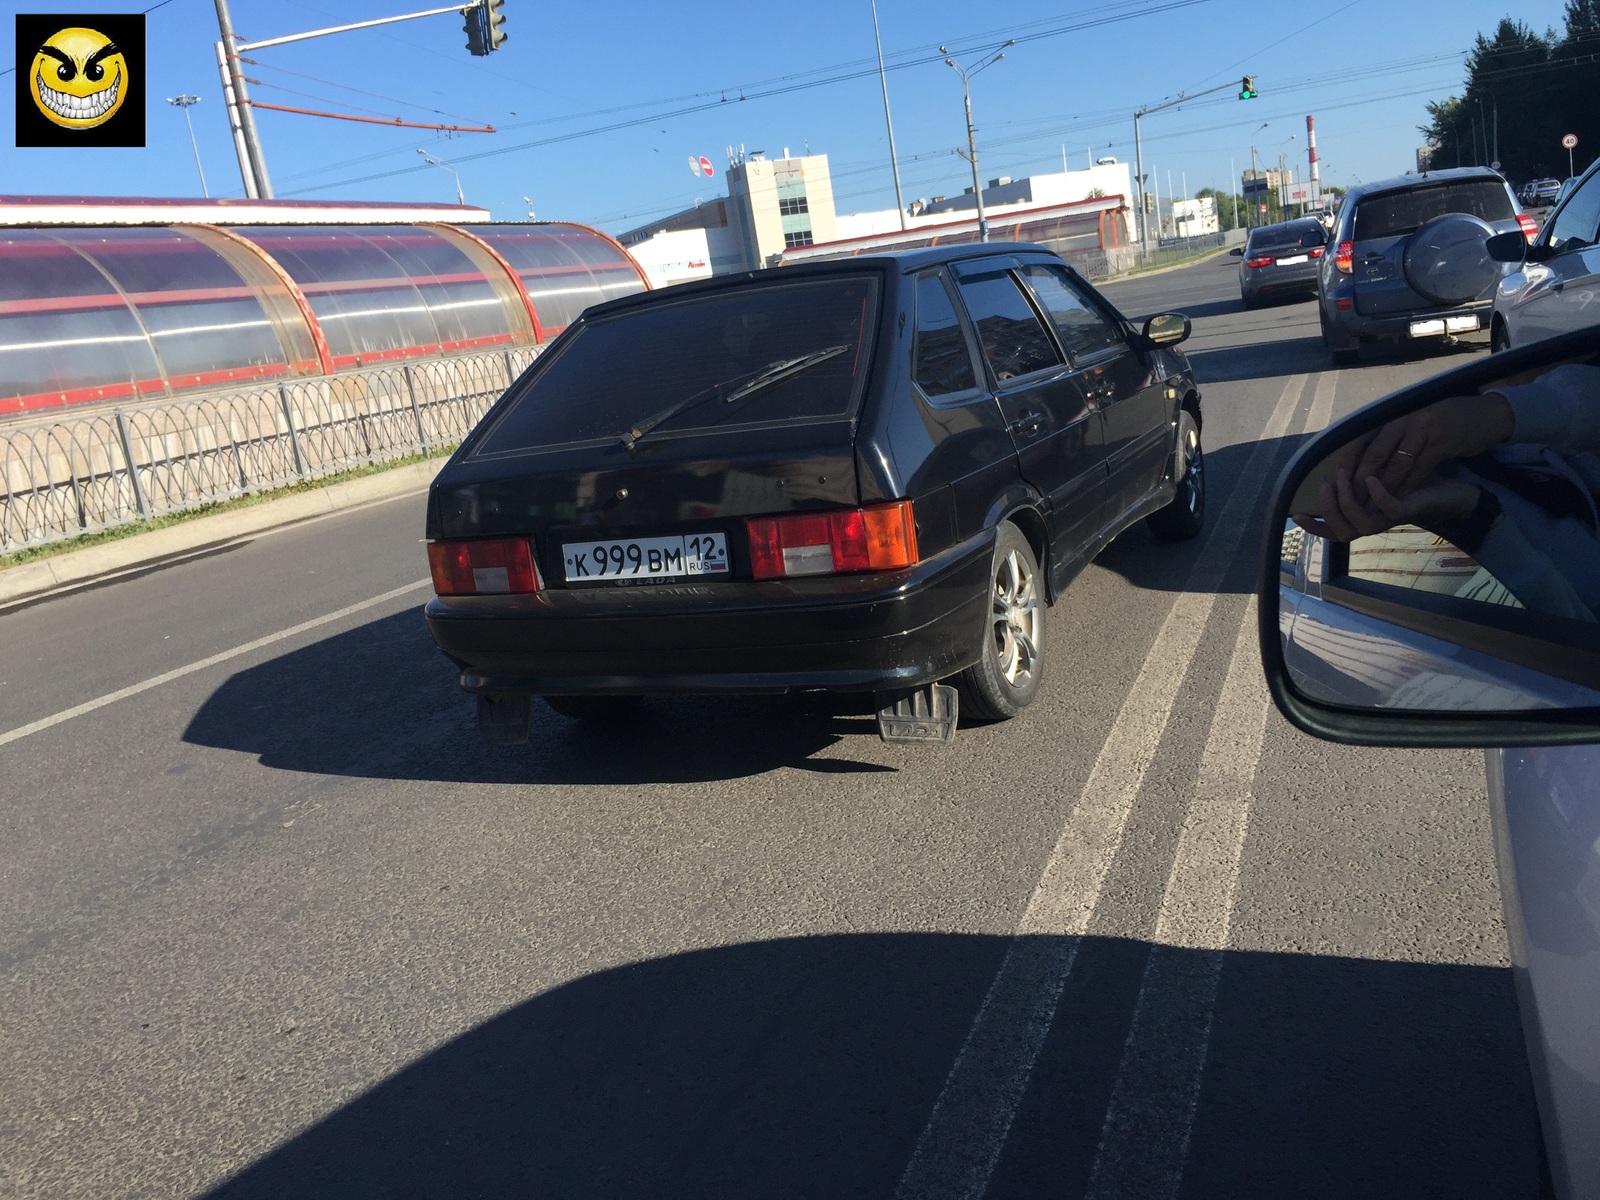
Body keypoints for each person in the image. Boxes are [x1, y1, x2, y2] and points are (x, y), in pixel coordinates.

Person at [1293, 361, 1600, 621]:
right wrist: (1471, 514)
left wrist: (1495, 415)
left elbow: (1569, 630)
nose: (1508, 383)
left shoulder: (1565, 450)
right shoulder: (1445, 464)